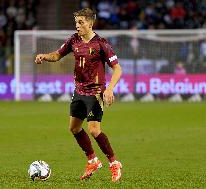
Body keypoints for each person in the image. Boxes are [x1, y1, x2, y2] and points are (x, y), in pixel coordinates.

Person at [35, 8, 123, 182]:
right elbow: (57, 55)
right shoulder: (73, 40)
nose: (77, 26)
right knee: (74, 128)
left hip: (96, 92)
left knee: (94, 130)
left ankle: (114, 163)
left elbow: (117, 68)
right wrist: (45, 56)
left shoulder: (101, 44)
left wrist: (110, 88)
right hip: (79, 91)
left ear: (90, 23)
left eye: (81, 22)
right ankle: (92, 160)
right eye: (76, 22)